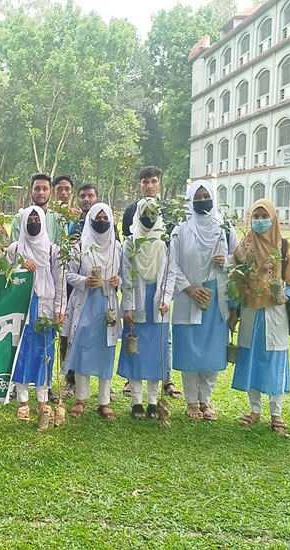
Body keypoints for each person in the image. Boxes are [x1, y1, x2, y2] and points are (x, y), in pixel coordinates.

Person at [229, 199, 290, 436]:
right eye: (256, 217)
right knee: (251, 358)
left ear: (273, 218)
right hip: (251, 312)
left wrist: (283, 293)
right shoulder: (243, 249)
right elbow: (235, 281)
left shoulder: (285, 248)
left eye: (265, 216)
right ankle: (254, 410)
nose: (260, 221)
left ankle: (276, 412)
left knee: (274, 359)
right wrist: (233, 311)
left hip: (276, 312)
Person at [169, 181, 235, 421]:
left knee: (212, 350)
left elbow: (238, 260)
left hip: (217, 297)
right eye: (197, 197)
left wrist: (225, 261)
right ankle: (190, 401)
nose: (201, 200)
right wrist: (188, 289)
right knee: (190, 350)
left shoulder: (225, 228)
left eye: (206, 196)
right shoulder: (181, 230)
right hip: (189, 296)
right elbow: (172, 264)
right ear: (189, 200)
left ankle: (205, 400)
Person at [120, 165, 181, 401]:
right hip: (136, 293)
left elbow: (171, 266)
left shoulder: (167, 222)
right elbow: (127, 269)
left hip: (159, 295)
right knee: (134, 342)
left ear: (159, 184)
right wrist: (127, 304)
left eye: (153, 181)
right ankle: (134, 393)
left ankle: (160, 389)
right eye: (145, 181)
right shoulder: (130, 216)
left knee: (159, 343)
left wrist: (166, 297)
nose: (149, 185)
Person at [63, 203, 123, 420]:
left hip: (108, 308)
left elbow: (124, 275)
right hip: (86, 304)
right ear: (89, 220)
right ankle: (81, 399)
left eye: (105, 218)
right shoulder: (80, 246)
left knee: (106, 353)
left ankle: (104, 402)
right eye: (97, 218)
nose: (101, 222)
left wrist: (119, 280)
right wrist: (84, 281)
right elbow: (68, 274)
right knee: (84, 352)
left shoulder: (117, 247)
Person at [7, 207, 64, 427]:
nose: (33, 223)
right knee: (22, 353)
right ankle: (23, 402)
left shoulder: (53, 250)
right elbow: (4, 275)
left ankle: (42, 400)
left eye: (36, 219)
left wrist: (60, 307)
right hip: (22, 306)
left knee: (44, 353)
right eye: (29, 220)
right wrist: (19, 266)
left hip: (46, 307)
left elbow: (60, 281)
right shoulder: (14, 249)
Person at [118, 197, 173, 419]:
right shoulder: (130, 243)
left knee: (154, 354)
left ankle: (152, 402)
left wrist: (166, 299)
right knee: (136, 353)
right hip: (138, 304)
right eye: (145, 214)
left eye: (153, 214)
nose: (148, 219)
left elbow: (171, 273)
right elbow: (127, 275)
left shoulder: (164, 242)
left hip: (158, 304)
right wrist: (129, 307)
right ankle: (136, 402)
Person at [9, 174, 66, 244]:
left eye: (45, 189)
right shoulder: (19, 218)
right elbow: (14, 250)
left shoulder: (59, 220)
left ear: (51, 192)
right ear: (31, 191)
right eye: (37, 189)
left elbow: (62, 251)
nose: (41, 192)